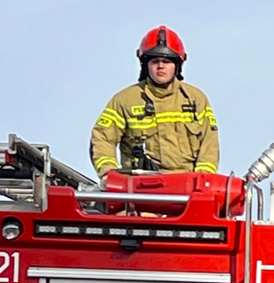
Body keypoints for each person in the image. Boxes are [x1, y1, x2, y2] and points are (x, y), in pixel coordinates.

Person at [90, 26, 220, 177]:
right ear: (145, 65)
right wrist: (109, 173)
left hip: (187, 188)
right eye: (155, 61)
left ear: (177, 65)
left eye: (166, 61)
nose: (160, 66)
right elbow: (102, 137)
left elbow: (209, 144)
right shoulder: (124, 100)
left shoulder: (196, 99)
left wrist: (203, 180)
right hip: (140, 189)